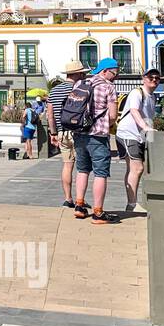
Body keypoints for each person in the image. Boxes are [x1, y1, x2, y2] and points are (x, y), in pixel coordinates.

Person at [67, 57, 119, 225]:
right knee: (101, 173)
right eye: (114, 73)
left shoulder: (81, 84)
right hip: (98, 135)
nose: (115, 76)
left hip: (79, 134)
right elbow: (112, 115)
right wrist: (106, 124)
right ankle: (98, 212)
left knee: (82, 170)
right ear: (105, 71)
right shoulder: (108, 87)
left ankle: (79, 206)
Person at [116, 69, 160, 212]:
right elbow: (134, 111)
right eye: (150, 77)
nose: (153, 80)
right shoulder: (136, 93)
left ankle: (132, 203)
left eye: (156, 78)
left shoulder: (152, 97)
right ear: (143, 79)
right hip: (128, 134)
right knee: (137, 168)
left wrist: (150, 137)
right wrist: (145, 127)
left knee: (135, 168)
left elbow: (149, 117)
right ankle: (132, 204)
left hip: (139, 136)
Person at [46, 60, 89, 208]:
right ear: (77, 74)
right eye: (83, 73)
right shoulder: (80, 89)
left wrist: (53, 133)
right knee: (81, 168)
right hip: (78, 132)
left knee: (67, 165)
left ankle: (68, 199)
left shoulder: (54, 91)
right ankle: (80, 200)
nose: (84, 76)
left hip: (61, 133)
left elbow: (49, 115)